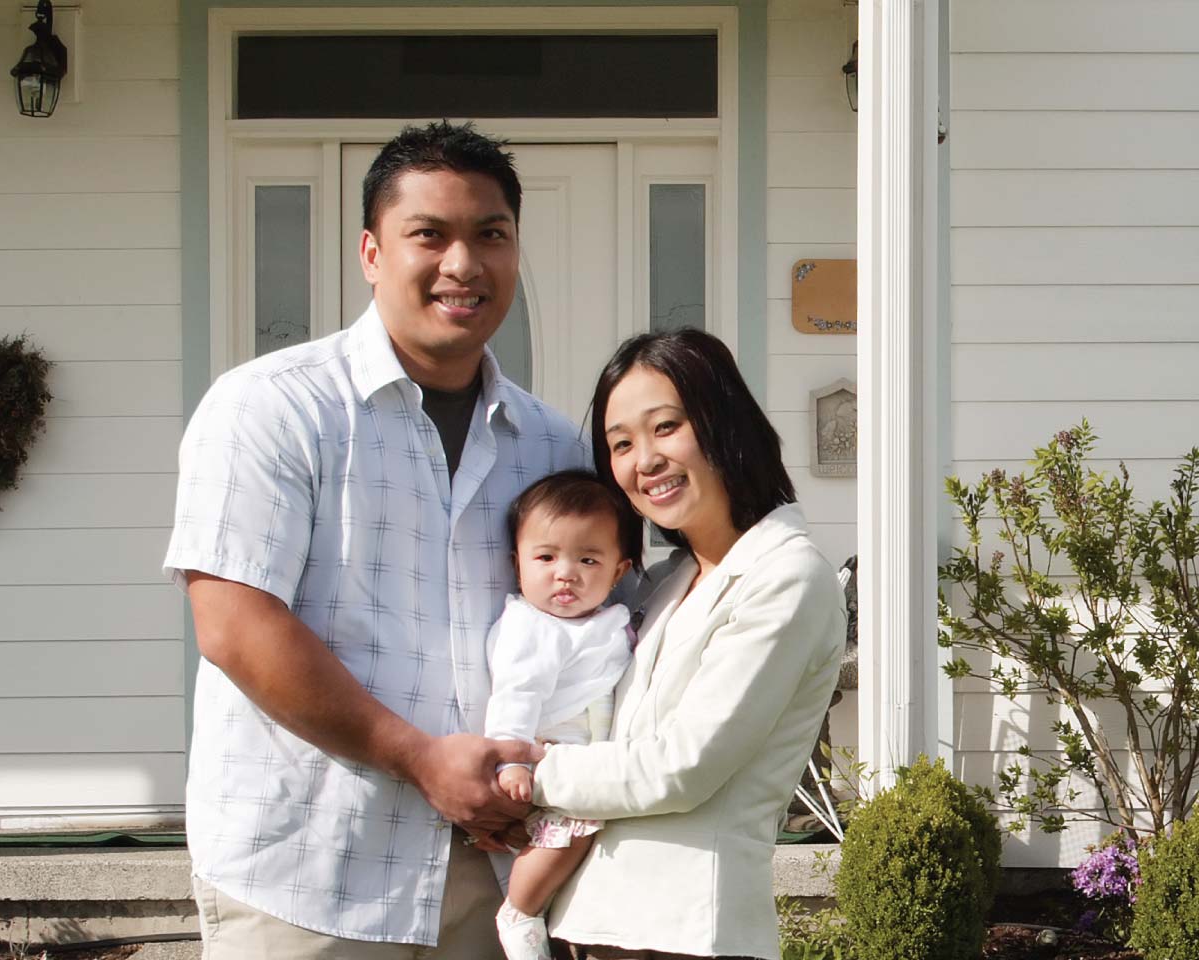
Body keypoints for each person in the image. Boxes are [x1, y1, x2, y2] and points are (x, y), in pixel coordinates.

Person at [163, 120, 591, 957]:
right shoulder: (272, 409)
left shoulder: (553, 447)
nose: (463, 264)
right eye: (428, 234)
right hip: (309, 872)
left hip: (494, 878)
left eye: (490, 236)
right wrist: (421, 758)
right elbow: (233, 624)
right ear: (371, 252)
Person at [528, 328, 847, 960]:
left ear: (723, 422)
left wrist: (530, 771)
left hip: (685, 931)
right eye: (621, 444)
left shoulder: (786, 576)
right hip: (595, 922)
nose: (643, 460)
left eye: (665, 427)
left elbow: (685, 766)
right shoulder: (665, 583)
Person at [481, 471, 639, 960]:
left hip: (592, 758)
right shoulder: (531, 628)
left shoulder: (607, 620)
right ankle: (520, 911)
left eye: (587, 559)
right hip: (544, 757)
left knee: (578, 841)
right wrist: (511, 760)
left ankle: (541, 910)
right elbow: (515, 694)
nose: (565, 573)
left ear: (618, 571)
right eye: (546, 558)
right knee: (569, 833)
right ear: (518, 564)